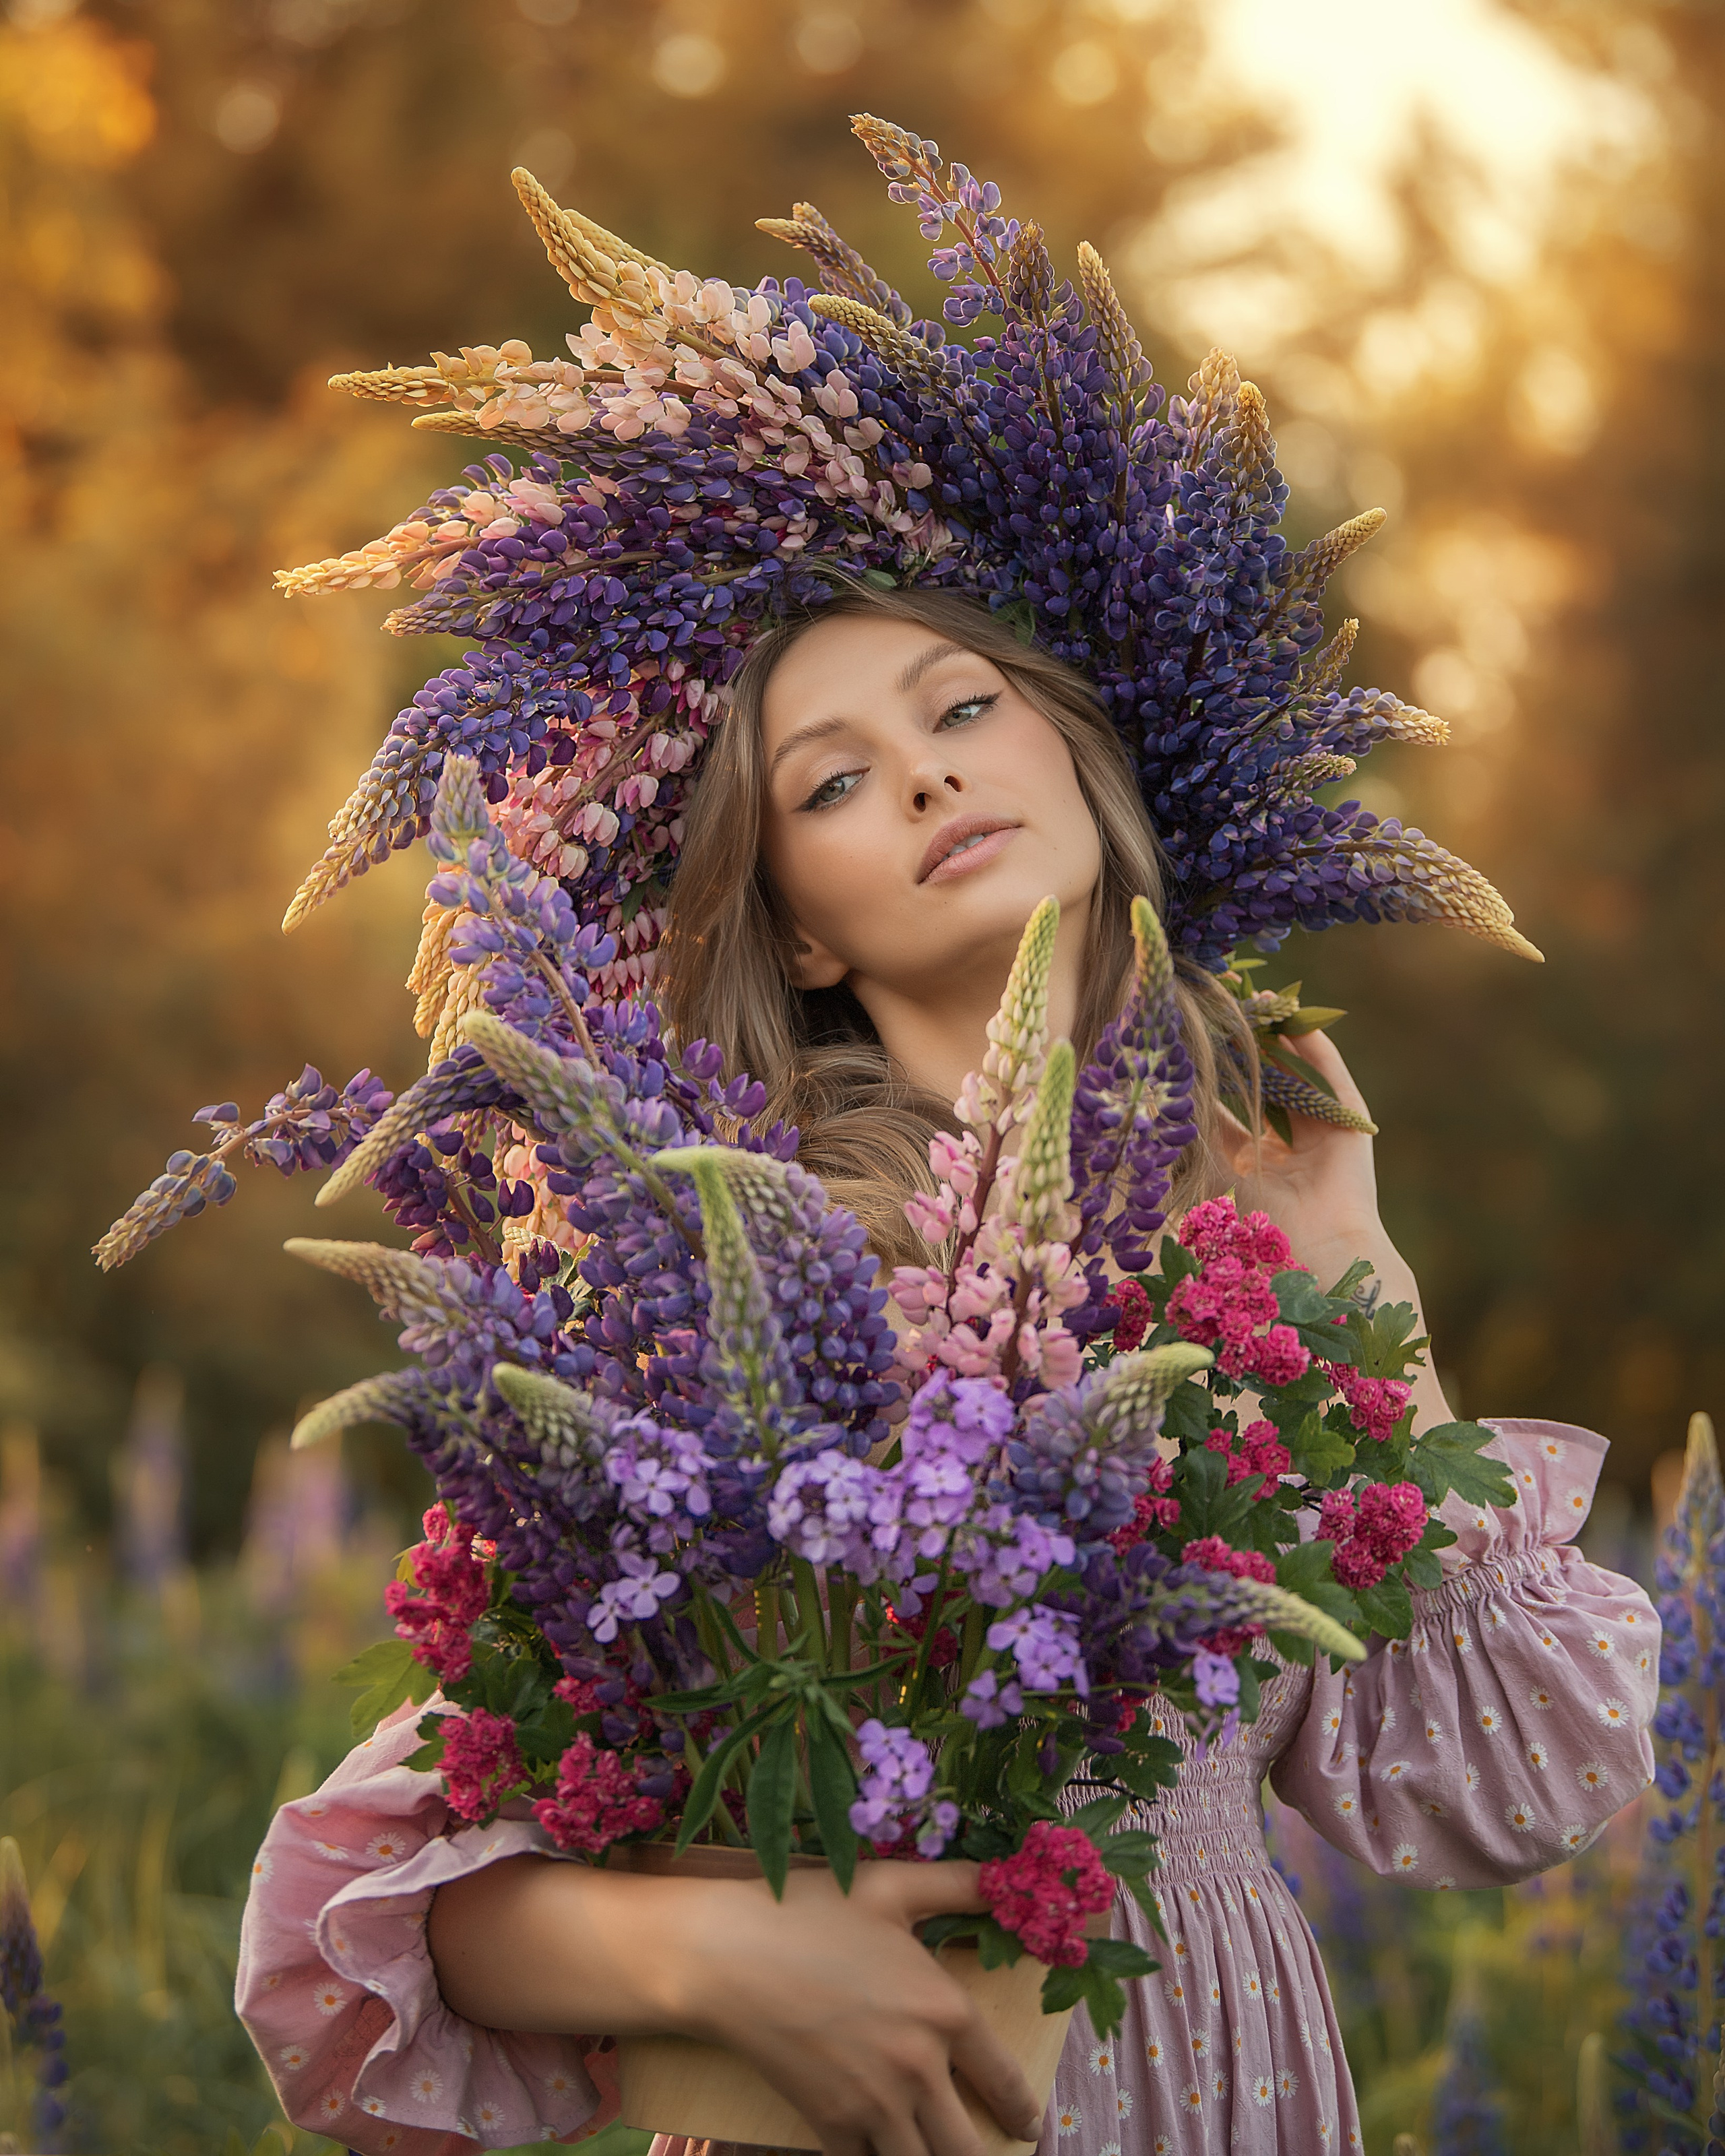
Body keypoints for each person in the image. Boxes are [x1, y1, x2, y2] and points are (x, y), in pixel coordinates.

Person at [236, 582, 1660, 2156]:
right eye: (833, 781)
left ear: (1075, 758)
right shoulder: (724, 1273)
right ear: (792, 917)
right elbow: (368, 1922)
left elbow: (1526, 1793)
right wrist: (714, 1954)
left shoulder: (1263, 1271)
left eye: (961, 708)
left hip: (1210, 2081)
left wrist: (1363, 1297)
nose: (922, 775)